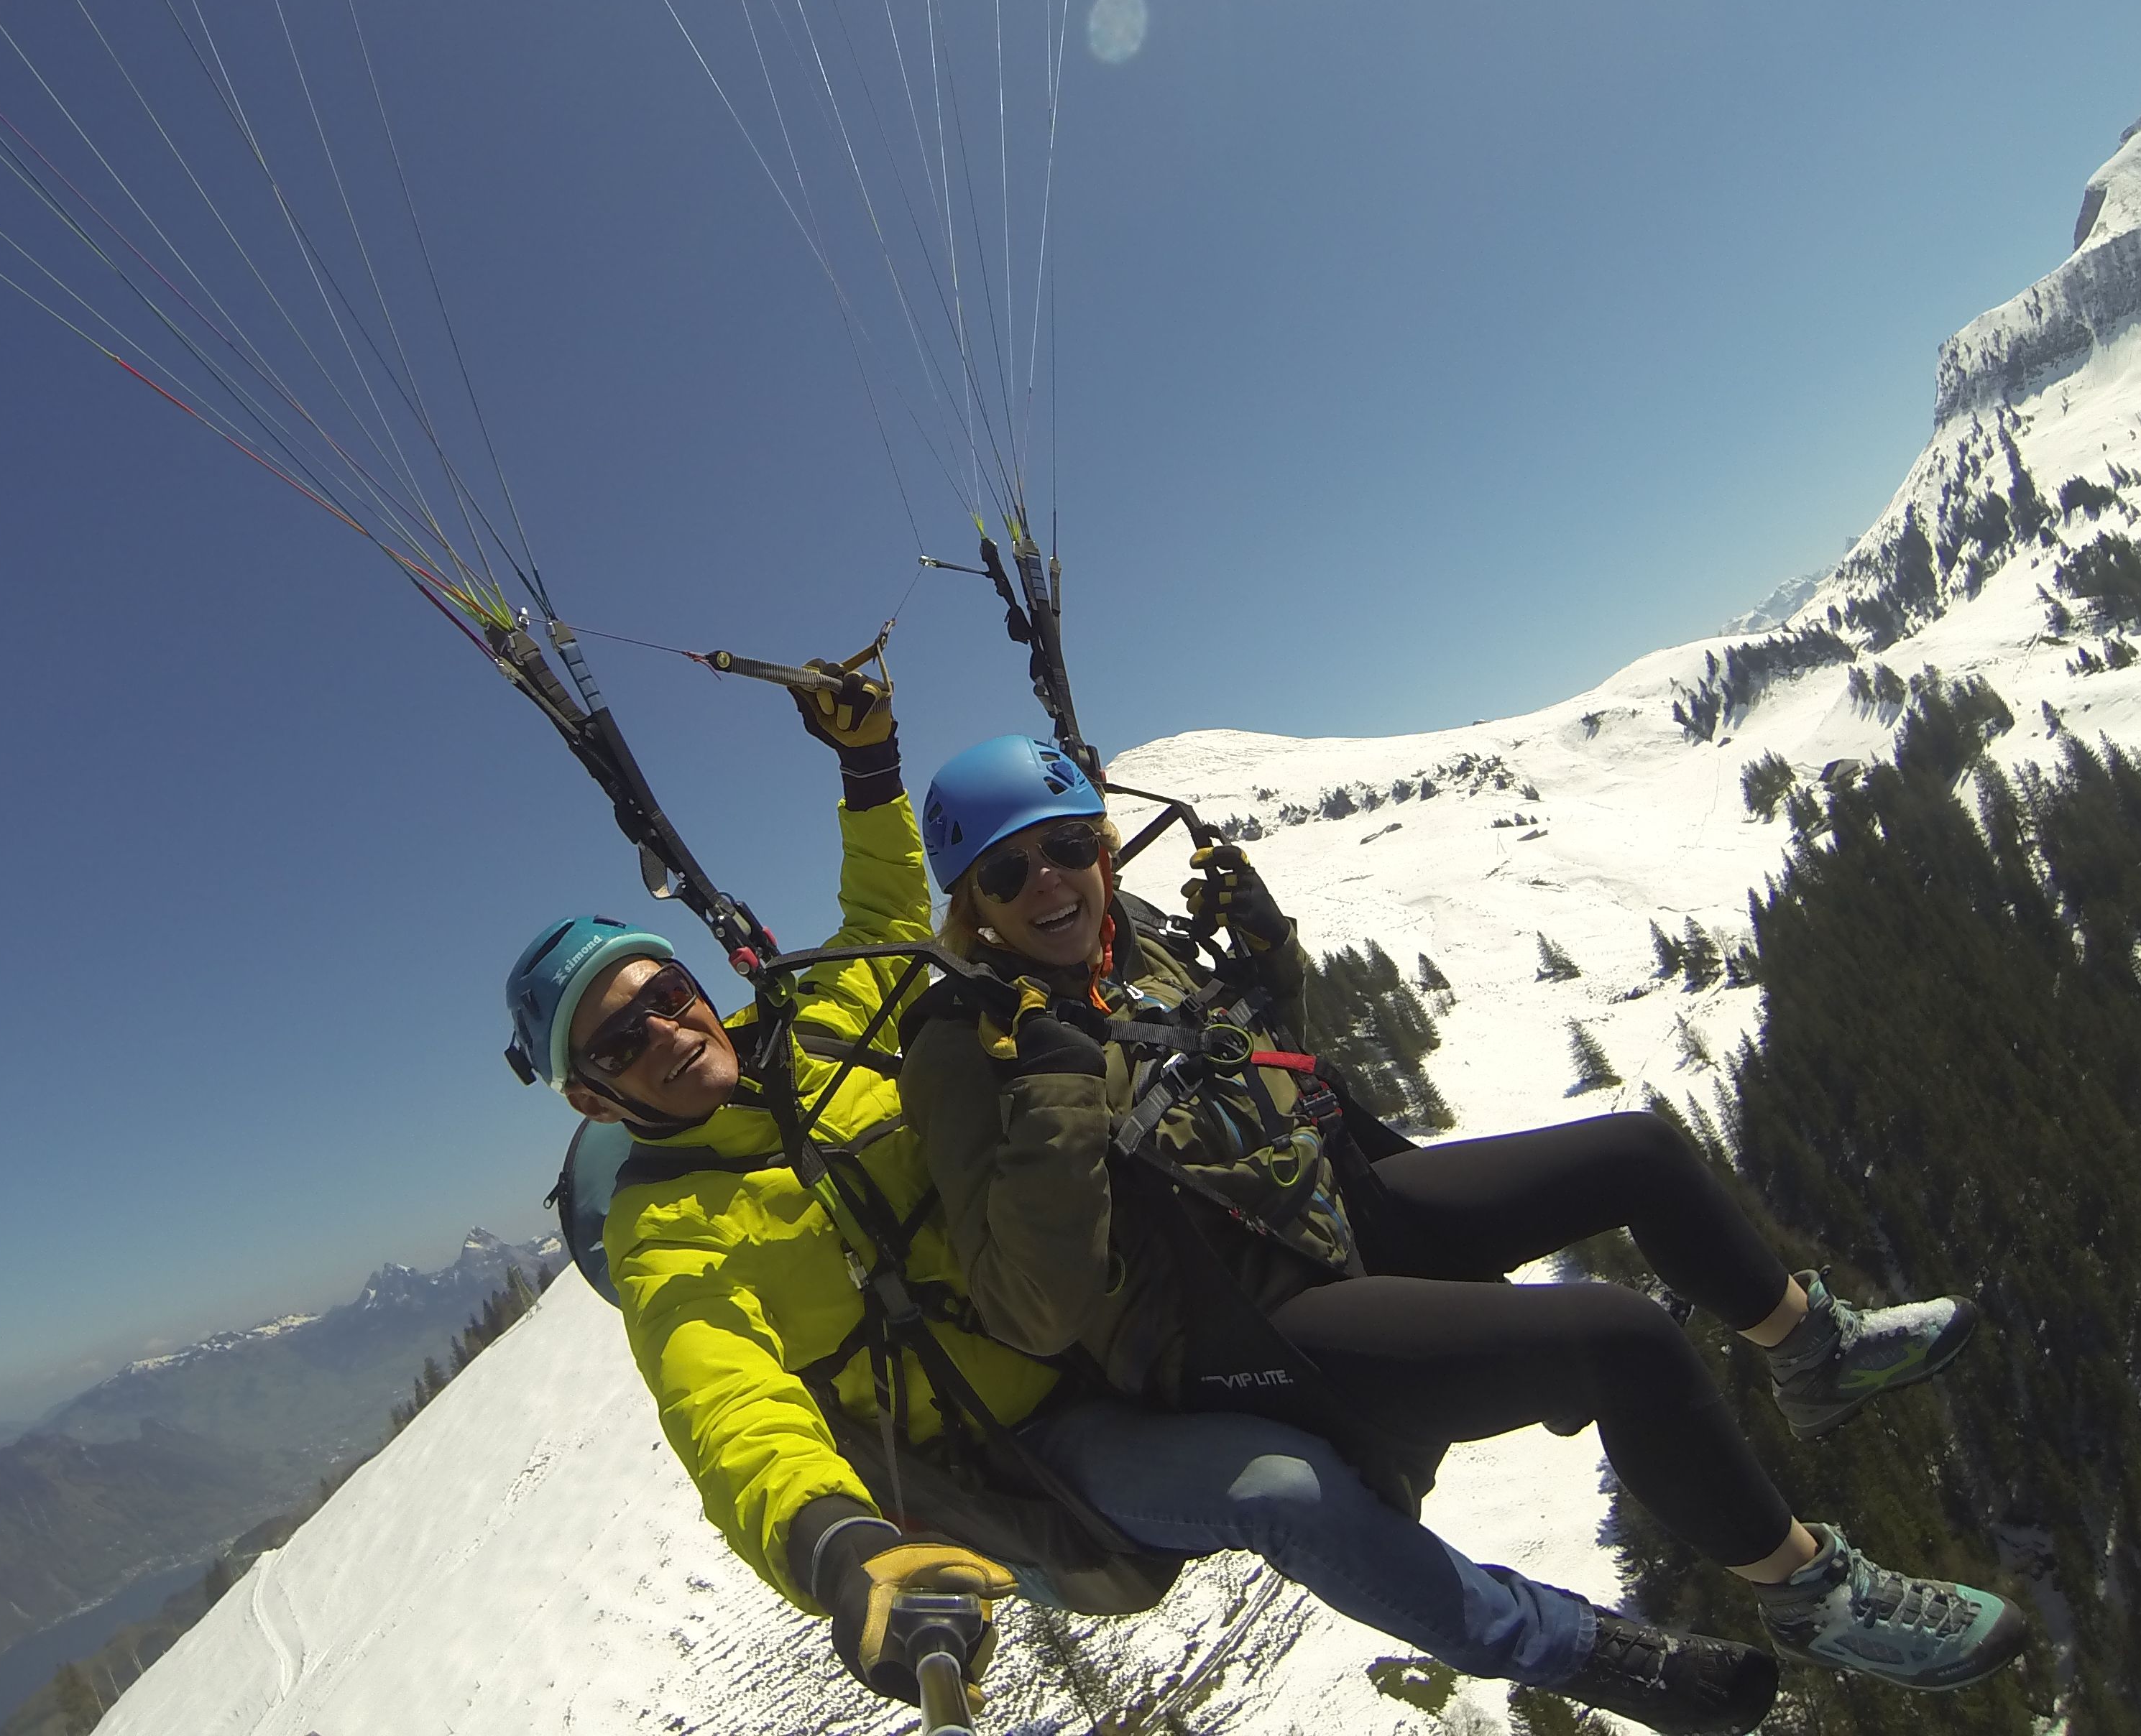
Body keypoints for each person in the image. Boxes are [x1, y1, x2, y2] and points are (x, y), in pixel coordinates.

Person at [506, 679, 1784, 1735]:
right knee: (1283, 1492)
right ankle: (1576, 1651)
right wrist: (838, 1547)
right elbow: (726, 1407)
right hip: (1031, 1436)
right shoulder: (670, 1235)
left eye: (665, 997)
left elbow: (890, 907)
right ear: (596, 1102)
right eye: (620, 1044)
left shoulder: (822, 1022)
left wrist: (867, 766)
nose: (664, 1035)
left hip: (1128, 1317)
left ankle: (1778, 1381)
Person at [898, 732, 2033, 1696]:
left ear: (1100, 845)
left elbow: (1255, 1069)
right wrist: (1049, 1095)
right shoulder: (964, 1046)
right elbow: (1033, 1310)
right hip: (1242, 1323)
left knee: (1636, 1151)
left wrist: (1267, 957)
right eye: (1007, 875)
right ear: (972, 906)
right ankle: (1810, 1594)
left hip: (1328, 1211)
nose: (1048, 883)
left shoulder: (1125, 942)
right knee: (1619, 1339)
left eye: (1064, 847)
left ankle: (1812, 1351)